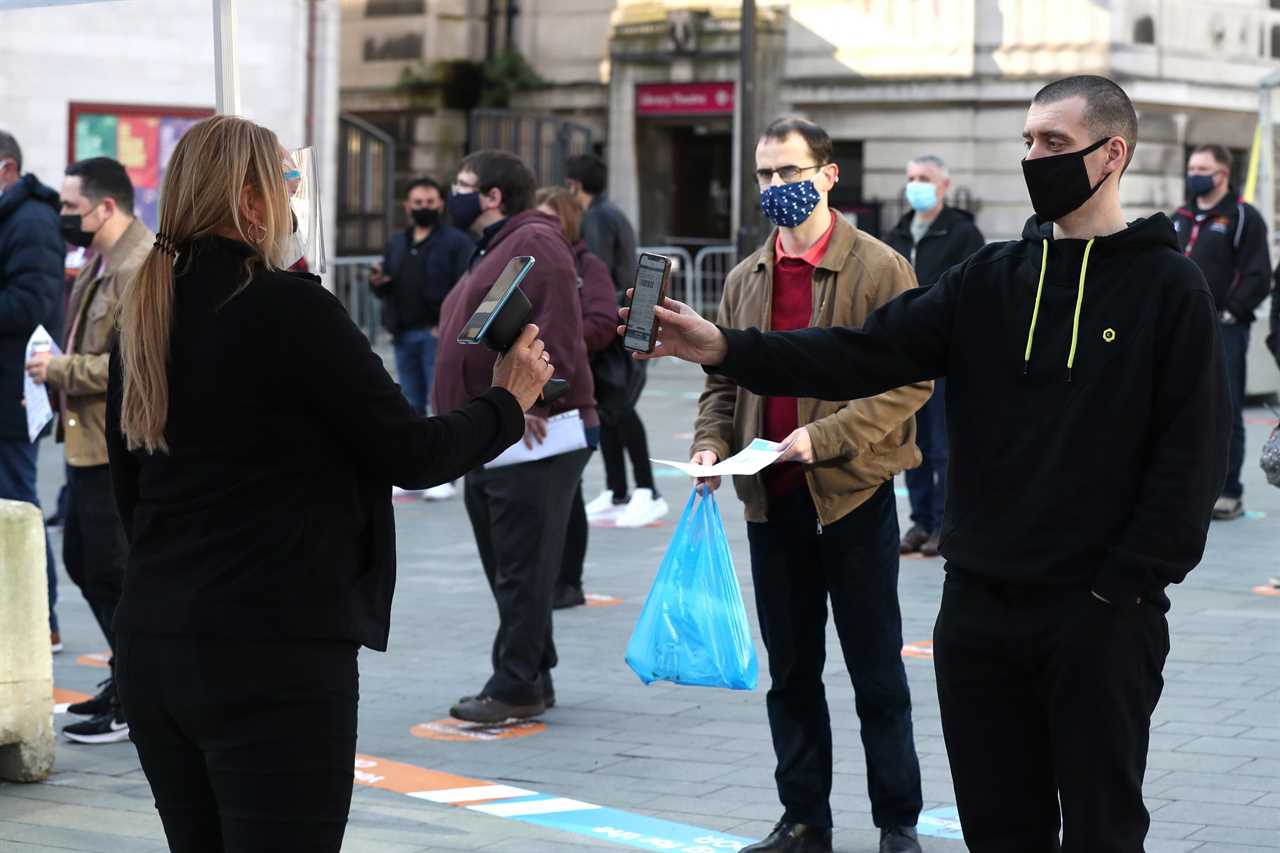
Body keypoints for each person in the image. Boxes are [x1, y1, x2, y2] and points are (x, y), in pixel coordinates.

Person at [627, 76, 1230, 853]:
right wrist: (727, 347)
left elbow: (1192, 456)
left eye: (1053, 142)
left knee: (1103, 828)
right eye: (1027, 141)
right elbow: (866, 352)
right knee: (998, 827)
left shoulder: (1168, 286)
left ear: (1111, 153)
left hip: (1100, 617)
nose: (1034, 157)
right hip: (979, 611)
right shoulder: (993, 278)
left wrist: (1122, 586)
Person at [106, 116, 550, 853]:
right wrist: (507, 400)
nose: (293, 196)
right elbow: (410, 450)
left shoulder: (145, 310)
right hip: (272, 651)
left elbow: (130, 492)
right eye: (287, 180)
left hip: (156, 641)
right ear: (249, 201)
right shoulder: (286, 305)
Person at [691, 118, 928, 853]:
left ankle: (897, 823)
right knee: (791, 674)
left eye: (790, 172)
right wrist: (708, 443)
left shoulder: (881, 268)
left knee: (876, 673)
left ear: (828, 175)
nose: (776, 188)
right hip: (771, 503)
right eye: (764, 176)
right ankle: (804, 820)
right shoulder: (745, 278)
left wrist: (821, 438)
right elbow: (723, 382)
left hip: (852, 496)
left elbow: (909, 382)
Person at [435, 151, 597, 723]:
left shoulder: (535, 242)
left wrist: (533, 397)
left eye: (462, 185)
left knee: (520, 564)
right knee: (512, 561)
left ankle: (516, 683)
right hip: (496, 431)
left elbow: (551, 331)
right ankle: (535, 669)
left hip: (528, 435)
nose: (452, 193)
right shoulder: (503, 242)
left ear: (493, 196)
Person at [25, 157, 152, 743]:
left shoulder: (140, 264)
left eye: (72, 208)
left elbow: (137, 365)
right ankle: (126, 676)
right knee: (85, 560)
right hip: (85, 442)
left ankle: (138, 693)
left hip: (115, 444)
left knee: (111, 568)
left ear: (107, 206)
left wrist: (60, 369)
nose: (64, 218)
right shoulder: (105, 259)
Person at [884, 155, 984, 557]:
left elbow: (969, 291)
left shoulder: (962, 233)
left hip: (944, 354)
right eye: (910, 178)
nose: (915, 185)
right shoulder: (897, 233)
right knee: (915, 443)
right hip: (905, 355)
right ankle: (920, 520)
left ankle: (945, 521)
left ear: (943, 185)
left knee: (943, 444)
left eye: (923, 178)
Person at [567, 153, 667, 527]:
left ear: (574, 185)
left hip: (613, 321)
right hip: (622, 316)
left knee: (619, 406)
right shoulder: (612, 214)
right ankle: (617, 489)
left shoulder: (595, 219)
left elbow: (598, 277)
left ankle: (647, 490)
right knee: (607, 408)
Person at [1173, 145, 1272, 521]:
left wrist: (1232, 310)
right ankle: (1185, 489)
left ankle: (1229, 491)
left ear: (1222, 174)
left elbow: (1258, 274)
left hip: (1225, 329)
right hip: (1181, 327)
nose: (1194, 173)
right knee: (1179, 407)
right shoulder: (1179, 217)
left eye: (1202, 167)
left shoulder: (1243, 217)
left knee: (1224, 408)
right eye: (1191, 166)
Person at [534, 188, 617, 610]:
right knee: (543, 497)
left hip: (573, 402)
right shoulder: (528, 262)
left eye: (550, 218)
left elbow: (603, 324)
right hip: (533, 398)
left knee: (566, 493)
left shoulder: (587, 266)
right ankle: (549, 579)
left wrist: (554, 336)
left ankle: (567, 582)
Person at [0, 128, 65, 654]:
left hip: (16, 393)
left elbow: (31, 302)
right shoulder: (14, 218)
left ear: (6, 169)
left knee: (18, 504)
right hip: (7, 389)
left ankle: (41, 620)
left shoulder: (31, 221)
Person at [370, 177, 473, 501]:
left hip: (437, 335)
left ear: (441, 205)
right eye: (418, 203)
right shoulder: (398, 243)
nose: (424, 208)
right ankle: (420, 473)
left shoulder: (457, 243)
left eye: (430, 202)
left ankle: (448, 475)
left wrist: (448, 325)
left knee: (442, 405)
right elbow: (387, 284)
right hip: (404, 334)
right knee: (411, 406)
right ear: (408, 207)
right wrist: (378, 282)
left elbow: (468, 286)